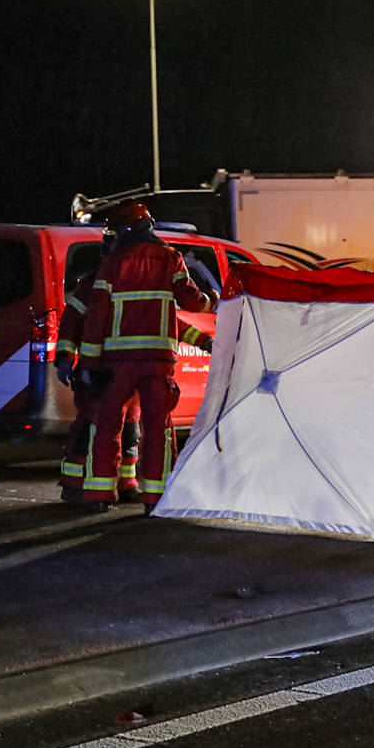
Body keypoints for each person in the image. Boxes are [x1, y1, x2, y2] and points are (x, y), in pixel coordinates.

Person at [75, 201, 216, 514]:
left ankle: (99, 494)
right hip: (158, 362)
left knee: (107, 425)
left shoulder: (113, 263)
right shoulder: (170, 258)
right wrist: (212, 300)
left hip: (117, 363)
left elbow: (97, 317)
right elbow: (191, 302)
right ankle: (156, 498)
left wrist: (89, 365)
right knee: (159, 428)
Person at [55, 229, 140, 504]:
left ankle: (125, 482)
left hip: (125, 370)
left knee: (129, 430)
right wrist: (65, 358)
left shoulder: (135, 283)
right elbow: (70, 325)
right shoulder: (91, 286)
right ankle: (75, 485)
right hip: (97, 372)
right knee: (89, 429)